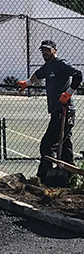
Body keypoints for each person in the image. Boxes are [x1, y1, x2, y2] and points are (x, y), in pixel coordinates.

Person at [18, 39, 81, 184]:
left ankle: (43, 177)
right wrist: (26, 84)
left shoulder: (61, 64)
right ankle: (69, 177)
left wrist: (68, 93)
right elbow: (38, 75)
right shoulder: (48, 67)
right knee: (65, 144)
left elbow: (78, 75)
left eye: (48, 50)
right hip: (55, 110)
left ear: (55, 50)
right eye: (43, 50)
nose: (45, 53)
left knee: (48, 144)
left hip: (65, 110)